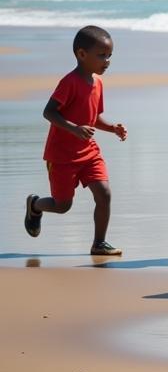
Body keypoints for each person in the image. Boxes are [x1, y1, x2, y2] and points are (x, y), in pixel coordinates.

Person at [24, 25, 127, 256]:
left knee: (104, 193)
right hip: (62, 156)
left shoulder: (98, 83)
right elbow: (49, 112)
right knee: (62, 206)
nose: (107, 61)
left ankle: (99, 243)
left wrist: (111, 128)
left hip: (89, 152)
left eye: (109, 56)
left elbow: (93, 117)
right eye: (101, 55)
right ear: (82, 54)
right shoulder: (69, 82)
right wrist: (73, 129)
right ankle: (35, 205)